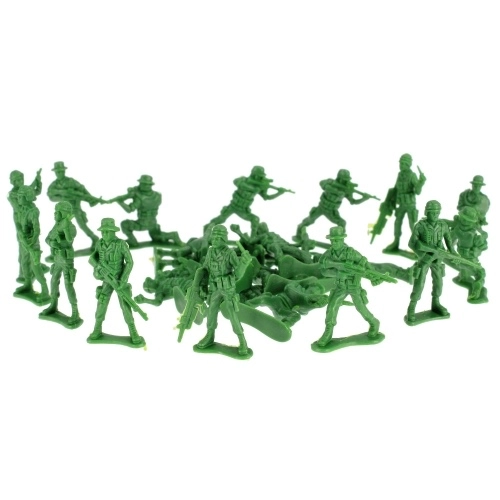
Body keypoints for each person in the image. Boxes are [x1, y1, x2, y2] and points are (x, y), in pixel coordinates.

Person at [315, 226, 387, 348]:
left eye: (337, 240)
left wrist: (374, 276)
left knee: (360, 307)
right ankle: (328, 332)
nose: (334, 243)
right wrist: (338, 273)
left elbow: (364, 263)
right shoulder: (328, 254)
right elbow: (323, 270)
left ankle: (374, 323)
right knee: (332, 307)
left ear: (342, 239)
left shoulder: (351, 253)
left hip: (354, 286)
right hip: (340, 286)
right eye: (332, 240)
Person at [88, 218, 145, 347]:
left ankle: (133, 332)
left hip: (118, 279)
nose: (104, 234)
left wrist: (123, 280)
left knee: (125, 305)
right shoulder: (100, 244)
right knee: (101, 304)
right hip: (106, 280)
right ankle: (97, 329)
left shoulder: (121, 244)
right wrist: (98, 268)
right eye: (103, 232)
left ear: (113, 232)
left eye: (107, 231)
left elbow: (129, 262)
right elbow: (92, 258)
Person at [406, 200, 456, 322]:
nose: (435, 215)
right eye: (432, 212)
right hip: (425, 260)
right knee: (419, 284)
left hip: (438, 259)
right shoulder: (420, 226)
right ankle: (412, 307)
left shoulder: (443, 225)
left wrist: (454, 254)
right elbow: (412, 243)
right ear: (426, 212)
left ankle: (436, 303)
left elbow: (449, 241)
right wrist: (423, 255)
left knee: (439, 283)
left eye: (437, 212)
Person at [204, 166, 291, 234]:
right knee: (221, 219)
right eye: (257, 175)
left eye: (260, 176)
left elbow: (266, 197)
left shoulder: (260, 186)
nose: (258, 178)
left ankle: (252, 239)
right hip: (232, 206)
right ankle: (206, 231)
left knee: (255, 219)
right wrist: (254, 188)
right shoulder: (243, 180)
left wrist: (279, 193)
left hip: (243, 210)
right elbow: (236, 182)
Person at [295, 169, 374, 240]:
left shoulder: (346, 189)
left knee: (342, 223)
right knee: (309, 220)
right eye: (343, 179)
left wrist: (364, 198)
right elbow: (322, 184)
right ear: (339, 177)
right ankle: (298, 235)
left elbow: (353, 202)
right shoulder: (331, 182)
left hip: (331, 211)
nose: (344, 181)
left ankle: (339, 242)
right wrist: (337, 192)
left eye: (346, 180)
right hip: (321, 207)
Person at [109, 174, 182, 247]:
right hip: (153, 224)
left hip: (142, 224)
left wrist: (120, 202)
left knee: (125, 224)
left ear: (146, 185)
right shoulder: (158, 195)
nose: (140, 185)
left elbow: (129, 209)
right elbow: (140, 192)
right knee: (156, 237)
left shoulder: (140, 198)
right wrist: (133, 191)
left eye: (141, 184)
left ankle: (132, 241)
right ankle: (173, 235)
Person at [40, 201, 82, 326]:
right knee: (53, 281)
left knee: (68, 285)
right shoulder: (57, 226)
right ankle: (53, 304)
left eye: (58, 212)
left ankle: (75, 311)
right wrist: (52, 243)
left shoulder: (70, 227)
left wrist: (65, 227)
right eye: (55, 211)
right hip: (57, 258)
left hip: (66, 259)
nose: (55, 214)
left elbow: (69, 240)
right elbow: (47, 238)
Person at [47, 161, 106, 248]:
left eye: (61, 171)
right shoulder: (54, 185)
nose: (59, 174)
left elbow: (82, 189)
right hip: (62, 211)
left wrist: (90, 198)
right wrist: (63, 197)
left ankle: (94, 238)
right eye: (58, 172)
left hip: (74, 207)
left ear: (64, 171)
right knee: (59, 227)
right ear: (55, 173)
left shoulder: (71, 181)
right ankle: (58, 243)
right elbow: (51, 196)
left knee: (82, 225)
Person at [14, 186, 50, 304]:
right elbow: (18, 222)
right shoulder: (21, 209)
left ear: (27, 197)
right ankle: (28, 284)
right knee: (24, 263)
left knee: (36, 267)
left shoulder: (33, 211)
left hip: (32, 243)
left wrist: (31, 241)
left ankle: (45, 290)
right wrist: (20, 232)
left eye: (20, 196)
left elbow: (37, 229)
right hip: (23, 241)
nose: (18, 199)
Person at [384, 154, 426, 252]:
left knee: (412, 225)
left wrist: (421, 183)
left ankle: (418, 245)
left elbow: (417, 192)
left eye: (403, 163)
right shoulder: (400, 174)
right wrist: (391, 201)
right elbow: (396, 189)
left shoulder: (412, 175)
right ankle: (396, 242)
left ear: (408, 164)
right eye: (400, 163)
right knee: (397, 222)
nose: (401, 165)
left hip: (410, 204)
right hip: (401, 204)